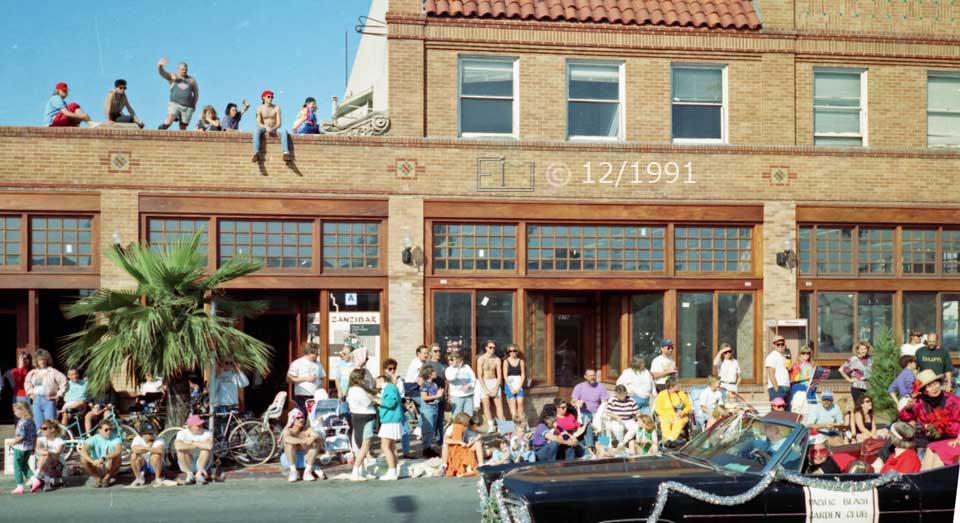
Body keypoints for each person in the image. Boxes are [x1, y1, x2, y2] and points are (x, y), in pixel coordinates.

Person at [347, 368, 378, 480]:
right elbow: (369, 402)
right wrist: (375, 399)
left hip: (358, 417)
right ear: (359, 379)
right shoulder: (358, 390)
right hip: (365, 418)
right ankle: (356, 472)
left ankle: (362, 471)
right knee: (365, 446)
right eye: (364, 378)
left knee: (361, 445)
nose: (366, 380)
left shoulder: (352, 389)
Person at [24, 349, 67, 427]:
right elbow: (27, 383)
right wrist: (30, 393)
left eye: (44, 359)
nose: (42, 362)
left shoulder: (52, 371)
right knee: (38, 425)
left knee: (50, 423)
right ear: (36, 361)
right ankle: (40, 439)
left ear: (47, 360)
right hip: (36, 400)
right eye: (40, 360)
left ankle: (51, 439)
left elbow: (64, 381)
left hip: (48, 400)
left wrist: (58, 395)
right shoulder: (33, 372)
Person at [383, 358, 414, 459]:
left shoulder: (399, 380)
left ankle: (406, 452)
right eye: (390, 369)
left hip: (399, 407)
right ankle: (391, 453)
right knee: (389, 433)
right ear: (385, 370)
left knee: (406, 430)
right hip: (389, 409)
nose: (392, 371)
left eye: (394, 369)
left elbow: (401, 394)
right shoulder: (383, 381)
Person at [282, 409, 324, 482]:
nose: (301, 420)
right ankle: (293, 472)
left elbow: (316, 435)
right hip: (289, 460)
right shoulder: (288, 430)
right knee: (289, 444)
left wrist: (313, 437)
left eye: (302, 417)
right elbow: (287, 439)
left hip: (305, 460)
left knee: (315, 443)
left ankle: (307, 472)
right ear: (293, 420)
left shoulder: (307, 429)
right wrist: (303, 441)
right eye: (298, 418)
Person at [157, 58, 199, 130]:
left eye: (186, 69)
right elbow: (163, 73)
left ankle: (181, 140)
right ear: (178, 69)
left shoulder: (191, 80)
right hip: (175, 104)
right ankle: (161, 129)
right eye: (182, 69)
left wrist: (194, 104)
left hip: (187, 106)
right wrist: (160, 66)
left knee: (183, 126)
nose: (184, 71)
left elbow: (196, 93)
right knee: (171, 117)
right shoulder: (173, 76)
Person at [571, 368, 608, 449]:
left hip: (597, 413)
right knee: (587, 423)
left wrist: (602, 411)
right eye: (590, 376)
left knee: (604, 423)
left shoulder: (601, 387)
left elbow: (604, 402)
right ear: (585, 377)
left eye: (594, 375)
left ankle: (604, 446)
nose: (592, 377)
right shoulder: (579, 387)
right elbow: (573, 401)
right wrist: (578, 402)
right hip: (584, 413)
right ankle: (590, 446)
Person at [80, 419, 122, 488]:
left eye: (110, 429)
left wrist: (104, 458)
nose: (109, 431)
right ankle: (97, 478)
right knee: (83, 458)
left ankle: (107, 478)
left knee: (118, 456)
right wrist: (92, 461)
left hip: (109, 464)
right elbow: (82, 450)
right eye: (106, 430)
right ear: (99, 430)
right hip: (96, 465)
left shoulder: (115, 438)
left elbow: (118, 450)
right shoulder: (94, 438)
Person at [376, 374, 403, 481]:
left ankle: (392, 471)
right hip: (391, 419)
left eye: (377, 381)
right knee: (391, 447)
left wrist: (376, 400)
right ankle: (393, 470)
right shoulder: (389, 388)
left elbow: (391, 403)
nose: (376, 383)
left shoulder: (389, 387)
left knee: (385, 446)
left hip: (390, 420)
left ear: (382, 380)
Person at [287, 343, 326, 415]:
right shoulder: (297, 363)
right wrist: (305, 379)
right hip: (301, 395)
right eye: (317, 353)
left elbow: (322, 377)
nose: (318, 355)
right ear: (310, 353)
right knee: (302, 417)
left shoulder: (318, 364)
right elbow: (288, 379)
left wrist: (320, 389)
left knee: (314, 418)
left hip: (315, 396)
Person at [252, 90, 290, 162]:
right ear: (264, 98)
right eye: (268, 97)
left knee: (284, 131)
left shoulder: (277, 107)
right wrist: (266, 127)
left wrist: (273, 128)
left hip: (274, 127)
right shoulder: (259, 108)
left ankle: (285, 153)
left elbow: (279, 123)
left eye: (272, 97)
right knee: (256, 131)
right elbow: (258, 123)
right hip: (264, 127)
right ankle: (255, 153)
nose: (270, 98)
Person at [175, 415, 213, 485]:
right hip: (188, 462)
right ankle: (189, 474)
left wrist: (192, 443)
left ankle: (199, 474)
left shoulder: (207, 433)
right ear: (190, 426)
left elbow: (209, 446)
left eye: (201, 424)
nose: (201, 426)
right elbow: (178, 446)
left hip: (202, 462)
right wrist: (199, 444)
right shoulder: (181, 433)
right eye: (198, 425)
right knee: (181, 451)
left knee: (205, 449)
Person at [654, 377, 691, 447]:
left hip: (680, 416)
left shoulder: (681, 394)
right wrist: (669, 417)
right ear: (671, 386)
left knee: (679, 422)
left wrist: (683, 412)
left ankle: (669, 440)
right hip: (666, 415)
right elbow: (658, 409)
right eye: (677, 385)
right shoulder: (662, 394)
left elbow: (689, 406)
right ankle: (669, 440)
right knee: (664, 422)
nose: (679, 386)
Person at [476, 340, 506, 430]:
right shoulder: (481, 359)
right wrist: (485, 389)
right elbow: (479, 375)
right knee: (486, 404)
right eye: (490, 347)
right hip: (484, 381)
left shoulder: (497, 359)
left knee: (499, 404)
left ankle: (502, 425)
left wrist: (496, 388)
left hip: (494, 381)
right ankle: (490, 425)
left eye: (494, 347)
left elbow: (499, 375)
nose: (492, 349)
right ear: (486, 348)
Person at [10, 401, 36, 494]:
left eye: (16, 411)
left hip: (20, 447)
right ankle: (34, 479)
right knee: (25, 465)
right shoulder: (31, 421)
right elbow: (34, 435)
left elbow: (21, 436)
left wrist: (13, 442)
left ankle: (19, 486)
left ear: (23, 411)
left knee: (17, 467)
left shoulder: (22, 422)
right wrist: (34, 446)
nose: (15, 413)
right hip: (29, 447)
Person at [32, 419, 65, 492]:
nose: (41, 430)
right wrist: (45, 453)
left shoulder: (60, 441)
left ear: (52, 429)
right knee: (45, 456)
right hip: (45, 462)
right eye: (41, 428)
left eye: (44, 428)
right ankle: (47, 483)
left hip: (57, 464)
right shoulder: (40, 439)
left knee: (47, 456)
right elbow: (37, 450)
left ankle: (35, 476)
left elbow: (57, 454)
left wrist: (48, 453)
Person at [418, 366, 444, 458]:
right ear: (429, 374)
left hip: (435, 407)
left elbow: (435, 395)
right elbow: (424, 397)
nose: (435, 373)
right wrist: (437, 396)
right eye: (433, 371)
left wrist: (439, 395)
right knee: (427, 429)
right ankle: (426, 449)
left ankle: (429, 447)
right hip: (428, 409)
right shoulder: (424, 385)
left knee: (432, 428)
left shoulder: (434, 384)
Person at [604, 385, 640, 450]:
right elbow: (607, 413)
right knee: (618, 428)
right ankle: (620, 443)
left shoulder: (631, 400)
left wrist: (639, 419)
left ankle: (623, 443)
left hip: (629, 420)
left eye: (623, 395)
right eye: (620, 395)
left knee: (636, 428)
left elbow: (637, 413)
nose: (622, 397)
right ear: (616, 394)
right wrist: (616, 416)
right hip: (616, 420)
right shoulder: (612, 400)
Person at [425, 344, 447, 445]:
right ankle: (428, 446)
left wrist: (447, 396)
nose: (438, 353)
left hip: (441, 398)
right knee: (430, 423)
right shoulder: (427, 365)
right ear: (430, 353)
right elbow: (421, 381)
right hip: (431, 399)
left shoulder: (443, 365)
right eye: (435, 351)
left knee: (440, 422)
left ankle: (440, 443)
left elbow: (446, 382)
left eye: (439, 351)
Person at [446, 351, 476, 416]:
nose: (450, 362)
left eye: (452, 359)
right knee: (457, 417)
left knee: (468, 417)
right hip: (457, 397)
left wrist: (469, 385)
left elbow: (474, 379)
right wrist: (458, 368)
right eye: (450, 360)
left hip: (468, 396)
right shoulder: (449, 369)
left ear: (459, 359)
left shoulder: (467, 367)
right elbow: (450, 378)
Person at [503, 344, 526, 423]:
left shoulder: (521, 361)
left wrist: (520, 386)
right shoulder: (506, 361)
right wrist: (511, 387)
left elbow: (523, 374)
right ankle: (515, 422)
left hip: (518, 384)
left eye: (514, 351)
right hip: (510, 384)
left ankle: (521, 422)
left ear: (517, 352)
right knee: (512, 404)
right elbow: (505, 376)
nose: (512, 353)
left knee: (520, 403)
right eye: (510, 351)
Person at [789, 345, 816, 411]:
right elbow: (795, 378)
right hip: (799, 388)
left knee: (812, 408)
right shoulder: (797, 364)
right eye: (803, 353)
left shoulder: (811, 364)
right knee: (799, 408)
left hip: (810, 389)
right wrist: (809, 377)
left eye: (808, 353)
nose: (806, 355)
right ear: (800, 354)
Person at [765, 335, 790, 402]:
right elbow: (771, 374)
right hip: (777, 388)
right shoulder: (772, 356)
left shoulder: (783, 357)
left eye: (782, 344)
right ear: (774, 345)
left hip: (785, 387)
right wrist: (776, 389)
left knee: (785, 411)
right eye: (778, 344)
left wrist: (787, 351)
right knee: (777, 411)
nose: (780, 346)